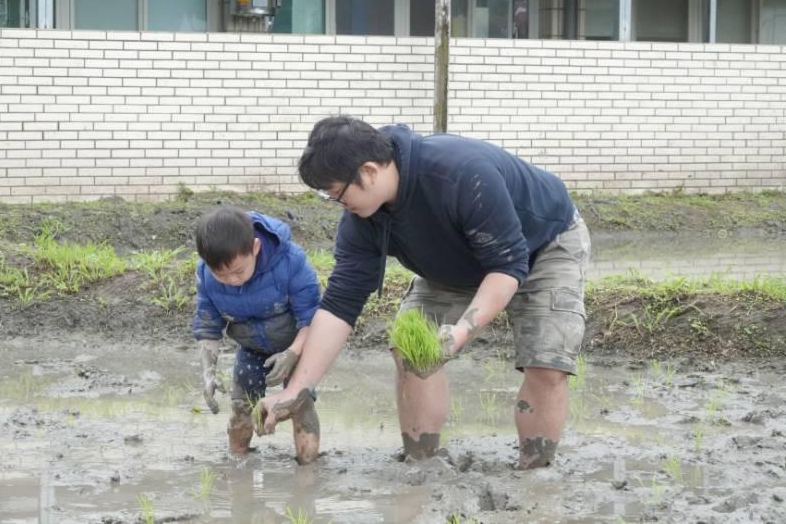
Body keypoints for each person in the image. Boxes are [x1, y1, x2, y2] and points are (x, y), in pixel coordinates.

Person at [255, 116, 590, 469]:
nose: (337, 204)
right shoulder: (362, 220)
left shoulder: (461, 174)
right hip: (455, 261)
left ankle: (534, 472)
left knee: (546, 361)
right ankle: (422, 463)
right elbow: (340, 303)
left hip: (545, 246)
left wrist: (461, 331)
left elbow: (507, 267)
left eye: (336, 193)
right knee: (411, 348)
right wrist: (296, 390)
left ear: (368, 171)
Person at [193, 206, 321, 463]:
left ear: (255, 247)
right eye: (221, 274)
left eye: (239, 271)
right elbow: (208, 326)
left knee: (300, 404)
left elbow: (314, 318)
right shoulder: (206, 276)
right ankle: (238, 470)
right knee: (241, 408)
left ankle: (308, 471)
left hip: (295, 345)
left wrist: (293, 353)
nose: (231, 280)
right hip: (250, 348)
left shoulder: (290, 261)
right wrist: (208, 373)